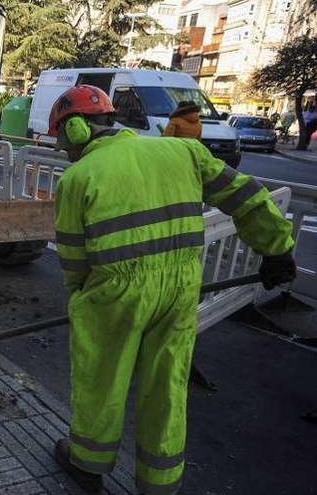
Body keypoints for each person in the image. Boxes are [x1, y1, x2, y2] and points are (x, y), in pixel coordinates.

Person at [49, 85, 297, 494]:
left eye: (63, 142)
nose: (65, 151)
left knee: (101, 380)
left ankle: (88, 465)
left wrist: (80, 299)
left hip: (114, 294)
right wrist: (278, 250)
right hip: (182, 286)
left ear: (75, 129)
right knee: (167, 384)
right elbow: (246, 195)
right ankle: (159, 484)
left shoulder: (79, 177)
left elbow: (74, 260)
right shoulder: (183, 152)